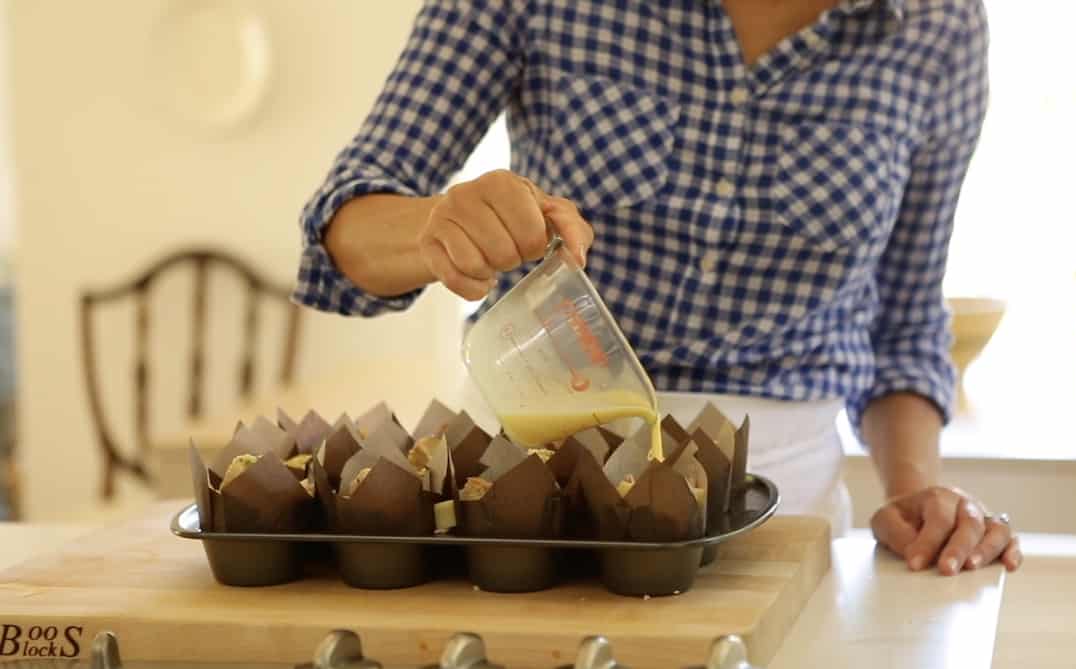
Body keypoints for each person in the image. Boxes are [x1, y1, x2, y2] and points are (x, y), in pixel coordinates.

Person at [295, 0, 1021, 575]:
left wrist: (913, 491)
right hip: (520, 483)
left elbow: (901, 326)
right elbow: (343, 228)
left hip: (776, 507)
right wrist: (435, 224)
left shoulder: (940, 24)